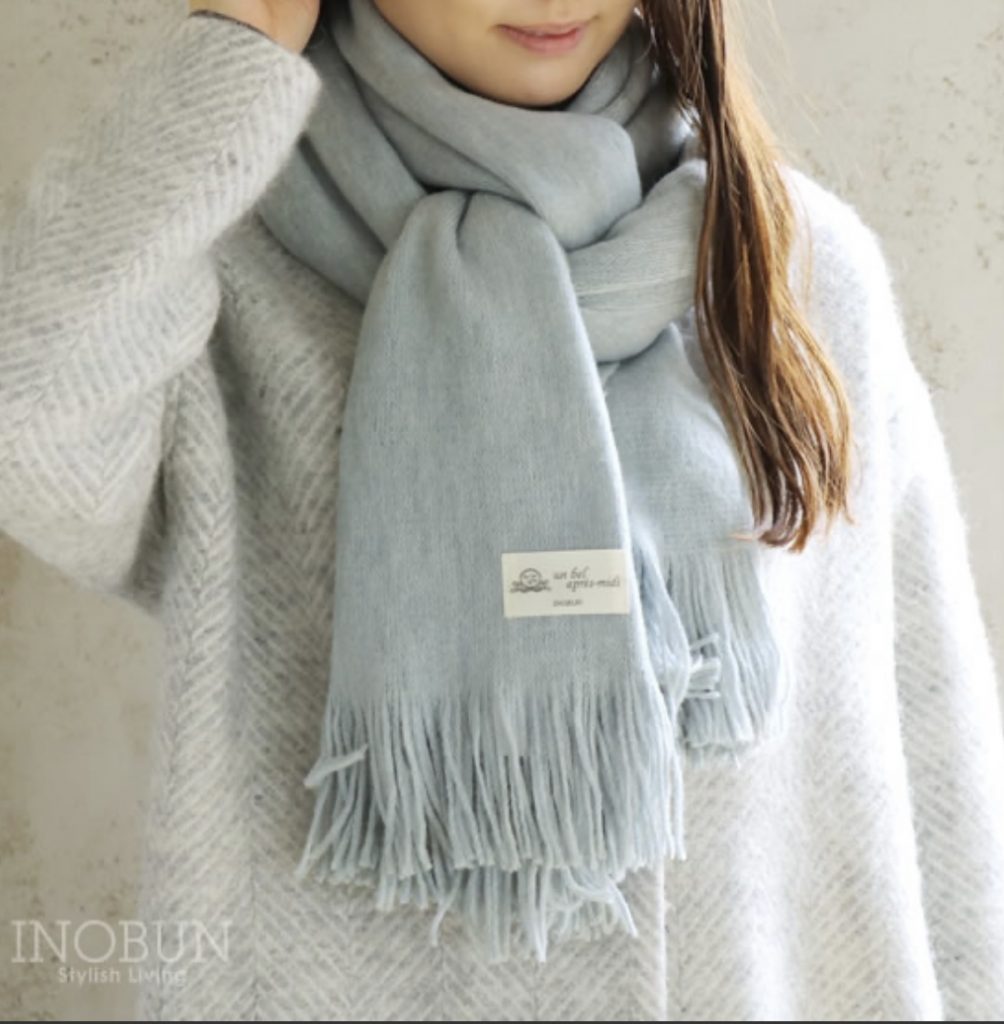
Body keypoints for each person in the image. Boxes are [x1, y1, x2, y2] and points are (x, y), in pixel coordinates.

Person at [1, 0, 1002, 1019]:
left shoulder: (790, 269)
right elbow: (24, 419)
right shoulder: (213, 284)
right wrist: (246, 30)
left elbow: (936, 774)